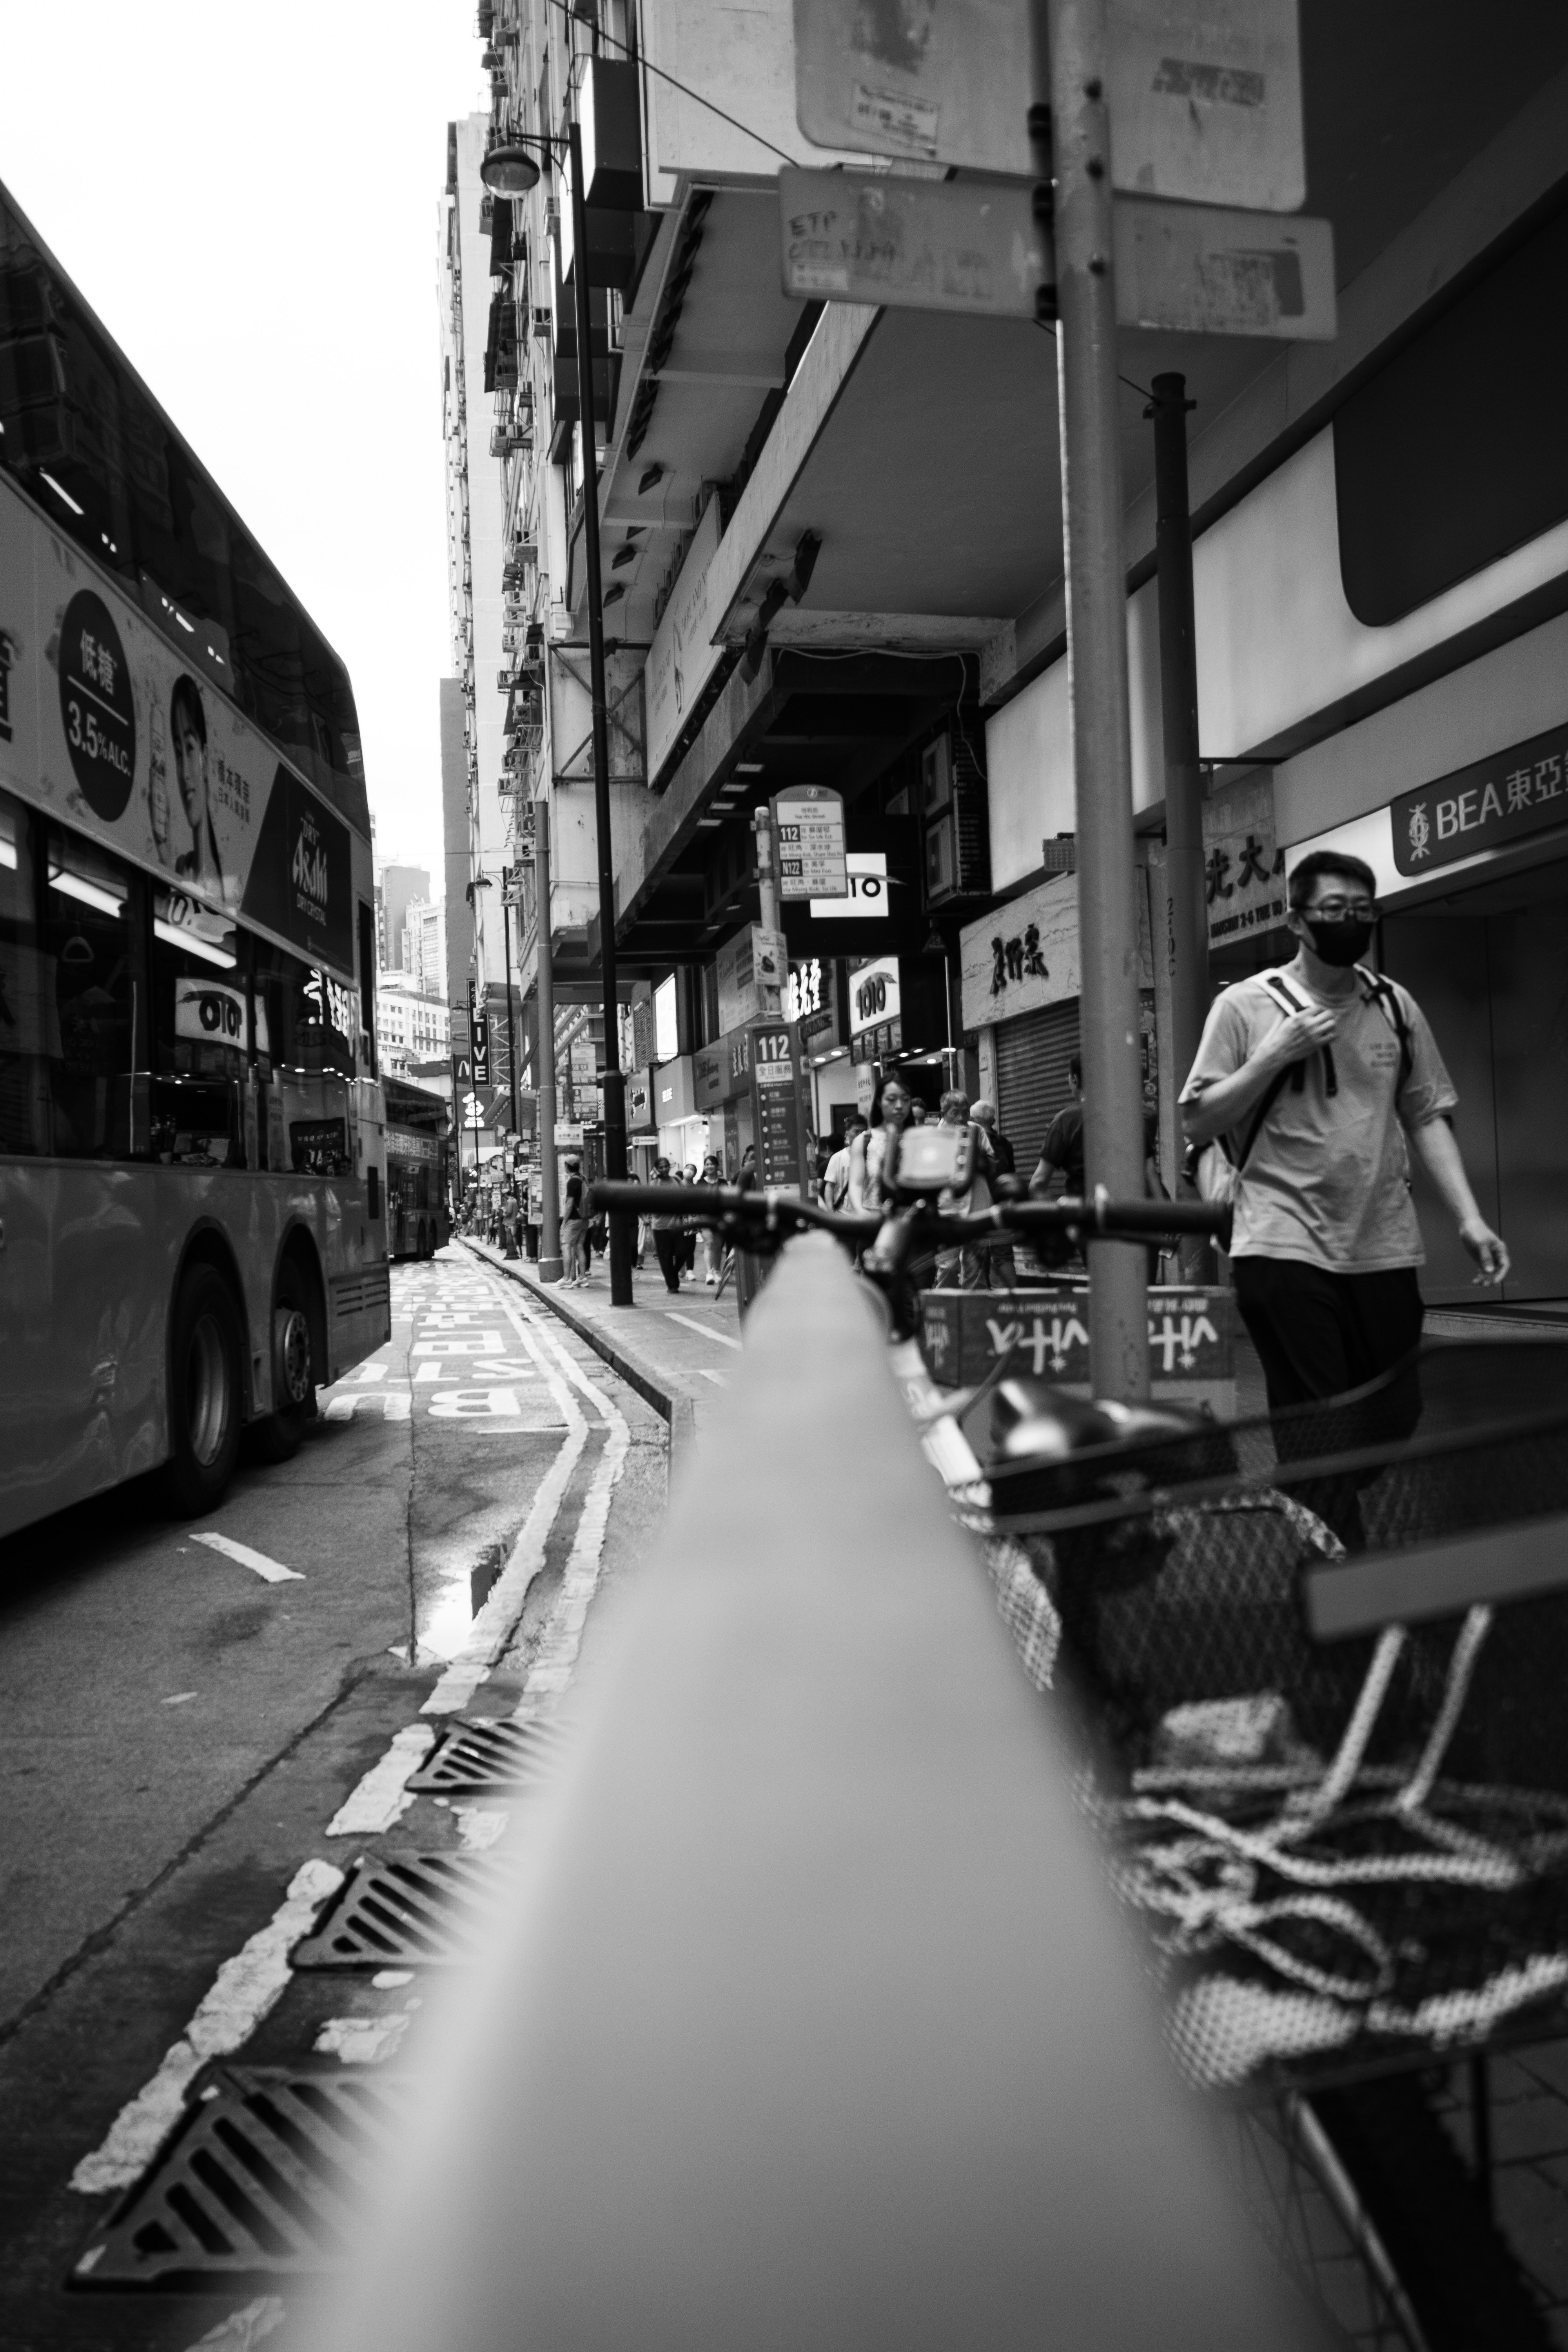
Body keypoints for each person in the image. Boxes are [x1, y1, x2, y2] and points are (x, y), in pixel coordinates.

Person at [1180, 848, 1509, 1421]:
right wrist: (1272, 1055)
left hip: (1382, 1244)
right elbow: (1199, 1120)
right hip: (1280, 1241)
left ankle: (1328, 1479)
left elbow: (1425, 1115)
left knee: (1394, 1415)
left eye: (1362, 909)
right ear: (1296, 921)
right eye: (1334, 909)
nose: (1351, 921)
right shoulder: (1243, 1006)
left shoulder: (1393, 1005)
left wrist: (1470, 1218)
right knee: (1318, 1422)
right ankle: (1315, 1478)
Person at [162, 675, 229, 901]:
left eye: (190, 748)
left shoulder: (223, 888)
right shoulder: (181, 868)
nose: (184, 774)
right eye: (178, 753)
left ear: (206, 758)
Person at [933, 1089, 993, 1290]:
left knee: (976, 1267)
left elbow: (992, 1165)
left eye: (965, 1112)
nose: (961, 1118)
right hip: (947, 1209)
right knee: (947, 1267)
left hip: (978, 1207)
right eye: (955, 1112)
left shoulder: (977, 1131)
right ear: (943, 1113)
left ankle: (974, 1307)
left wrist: (974, 1155)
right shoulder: (935, 1136)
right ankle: (946, 1306)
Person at [847, 1074, 913, 1214]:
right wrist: (860, 1211)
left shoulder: (918, 1139)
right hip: (874, 1217)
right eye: (891, 1100)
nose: (899, 1106)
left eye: (906, 1100)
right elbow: (856, 1184)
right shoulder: (865, 1141)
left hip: (912, 1219)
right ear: (879, 1101)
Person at [649, 1156, 686, 1293]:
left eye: (666, 1166)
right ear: (656, 1169)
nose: (664, 1169)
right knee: (666, 1256)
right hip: (660, 1226)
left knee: (683, 1252)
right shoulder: (654, 1183)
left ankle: (673, 1273)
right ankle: (672, 1285)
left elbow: (685, 1196)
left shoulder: (676, 1181)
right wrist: (657, 1179)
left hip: (677, 1225)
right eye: (661, 1167)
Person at [823, 1116, 866, 1212]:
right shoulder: (838, 1158)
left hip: (867, 1211)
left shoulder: (872, 1156)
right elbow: (830, 1186)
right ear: (847, 1134)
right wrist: (830, 1210)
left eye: (863, 1132)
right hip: (844, 1212)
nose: (860, 1135)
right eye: (856, 1132)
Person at [697, 1152, 725, 1285]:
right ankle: (709, 1273)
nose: (709, 1167)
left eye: (712, 1164)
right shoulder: (700, 1183)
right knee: (709, 1243)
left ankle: (717, 1271)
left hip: (720, 1218)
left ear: (717, 1166)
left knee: (718, 1246)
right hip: (705, 1218)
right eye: (707, 1164)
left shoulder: (723, 1183)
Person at [560, 1154, 588, 1287]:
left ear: (567, 1166)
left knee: (566, 1246)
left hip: (574, 1219)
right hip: (584, 1219)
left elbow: (570, 1204)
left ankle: (566, 1279)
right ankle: (582, 1278)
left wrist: (564, 1222)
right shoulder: (583, 1179)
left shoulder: (572, 1182)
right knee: (579, 1247)